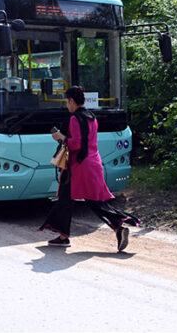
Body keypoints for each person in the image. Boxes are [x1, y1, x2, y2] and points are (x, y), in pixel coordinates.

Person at [39, 86, 139, 251]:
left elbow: (77, 144)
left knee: (66, 198)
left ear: (71, 101)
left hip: (79, 166)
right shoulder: (92, 117)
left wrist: (61, 137)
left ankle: (64, 237)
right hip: (93, 163)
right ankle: (118, 227)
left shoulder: (74, 119)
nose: (67, 105)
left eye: (67, 102)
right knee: (93, 201)